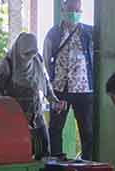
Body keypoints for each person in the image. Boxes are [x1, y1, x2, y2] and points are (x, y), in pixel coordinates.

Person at [0, 32, 61, 159]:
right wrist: (7, 107)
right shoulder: (7, 65)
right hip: (15, 119)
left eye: (33, 53)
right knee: (19, 154)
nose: (30, 57)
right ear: (19, 50)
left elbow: (45, 81)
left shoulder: (37, 60)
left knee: (44, 152)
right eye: (26, 54)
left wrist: (53, 100)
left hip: (37, 116)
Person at [43, 0, 94, 160]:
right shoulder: (53, 34)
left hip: (84, 90)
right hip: (59, 89)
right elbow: (45, 60)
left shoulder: (89, 33)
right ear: (63, 9)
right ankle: (56, 163)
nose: (74, 13)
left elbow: (95, 58)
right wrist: (49, 89)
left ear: (81, 11)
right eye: (71, 9)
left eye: (77, 10)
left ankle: (87, 163)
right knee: (56, 128)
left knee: (87, 130)